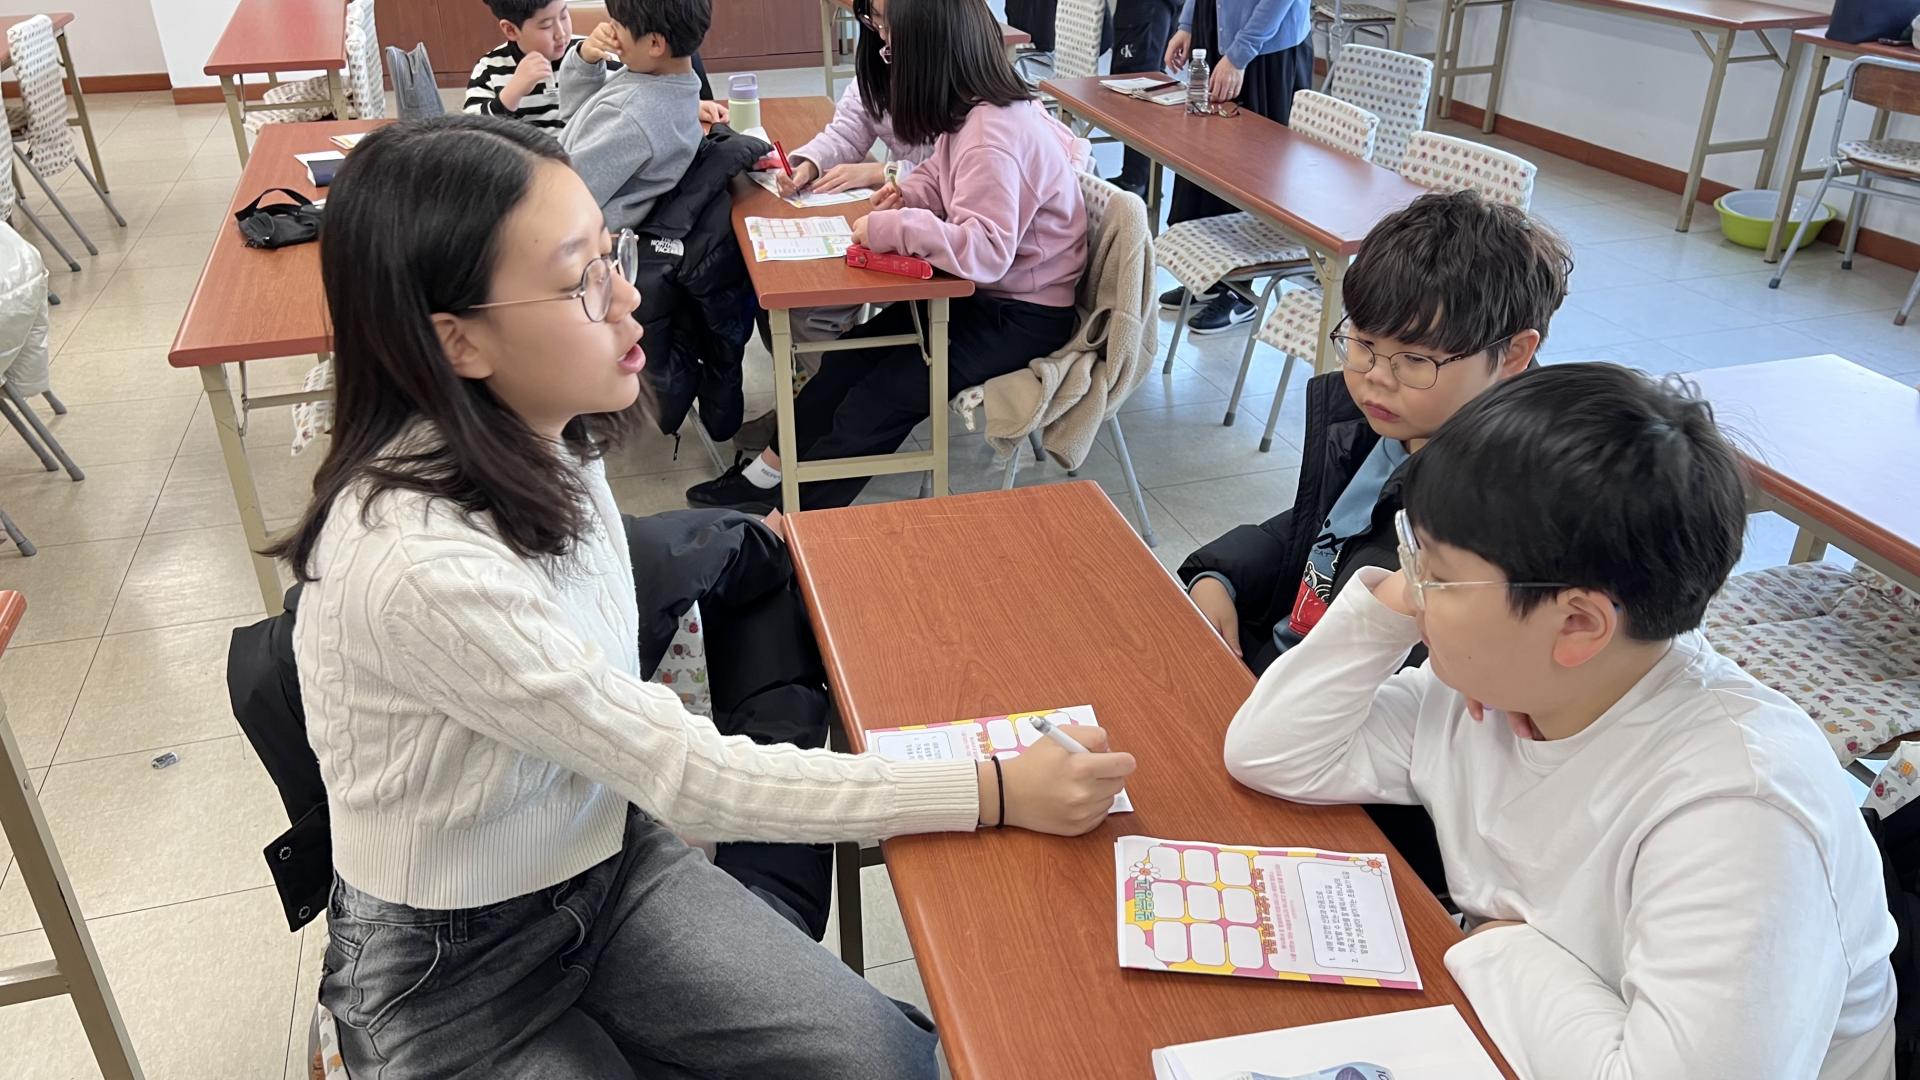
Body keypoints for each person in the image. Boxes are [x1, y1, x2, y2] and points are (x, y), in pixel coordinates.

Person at [272, 113, 1136, 1079]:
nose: (627, 295)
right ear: (457, 341)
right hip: (450, 974)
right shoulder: (412, 563)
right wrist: (992, 788)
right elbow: (688, 771)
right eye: (581, 279)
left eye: (610, 256)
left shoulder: (547, 436)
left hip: (606, 869)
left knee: (885, 1060)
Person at [1222, 362, 1898, 1078]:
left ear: (1577, 623)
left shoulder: (1743, 810)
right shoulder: (1507, 683)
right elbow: (1272, 753)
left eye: (1437, 576)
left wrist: (1495, 942)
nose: (1414, 590)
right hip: (1524, 1033)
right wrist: (1390, 600)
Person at [685, 0, 1089, 513]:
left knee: (879, 399)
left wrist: (895, 226)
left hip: (1020, 315)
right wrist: (908, 193)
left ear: (930, 52)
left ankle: (791, 521)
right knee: (847, 360)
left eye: (893, 48)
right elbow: (939, 175)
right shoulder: (971, 112)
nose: (885, 56)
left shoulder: (994, 133)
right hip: (982, 297)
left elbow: (986, 251)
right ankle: (764, 476)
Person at [1180, 190, 1569, 676]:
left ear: (1512, 355)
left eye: (1415, 359)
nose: (1375, 377)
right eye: (1363, 343)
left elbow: (1410, 676)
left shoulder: (1491, 517)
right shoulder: (1386, 425)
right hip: (1278, 662)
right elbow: (1320, 530)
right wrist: (1220, 575)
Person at [729, 0, 935, 456]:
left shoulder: (948, 69)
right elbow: (846, 132)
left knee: (809, 304)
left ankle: (824, 413)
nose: (879, 31)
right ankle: (812, 404)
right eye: (871, 18)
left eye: (883, 18)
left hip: (932, 232)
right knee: (779, 286)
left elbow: (953, 174)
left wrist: (883, 171)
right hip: (898, 214)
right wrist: (808, 163)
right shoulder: (880, 57)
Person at [1161, 0, 1313, 333]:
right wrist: (1187, 24)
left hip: (1265, 51)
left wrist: (1240, 54)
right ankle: (1210, 277)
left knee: (1251, 169)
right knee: (1206, 153)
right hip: (1216, 32)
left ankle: (1240, 293)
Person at [557, 0, 708, 231]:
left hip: (575, 235)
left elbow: (563, 203)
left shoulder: (630, 117)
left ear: (655, 44)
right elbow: (578, 116)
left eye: (616, 25)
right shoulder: (672, 83)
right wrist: (585, 61)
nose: (608, 30)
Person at [466, 0, 728, 132]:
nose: (561, 33)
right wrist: (511, 95)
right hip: (529, 181)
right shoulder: (490, 69)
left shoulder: (590, 51)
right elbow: (469, 136)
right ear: (511, 30)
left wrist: (687, 106)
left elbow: (639, 95)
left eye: (564, 15)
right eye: (545, 26)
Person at [1109, 0, 1182, 198]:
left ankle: (1135, 180)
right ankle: (1141, 179)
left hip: (1146, 9)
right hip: (1150, 10)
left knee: (1137, 85)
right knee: (1142, 83)